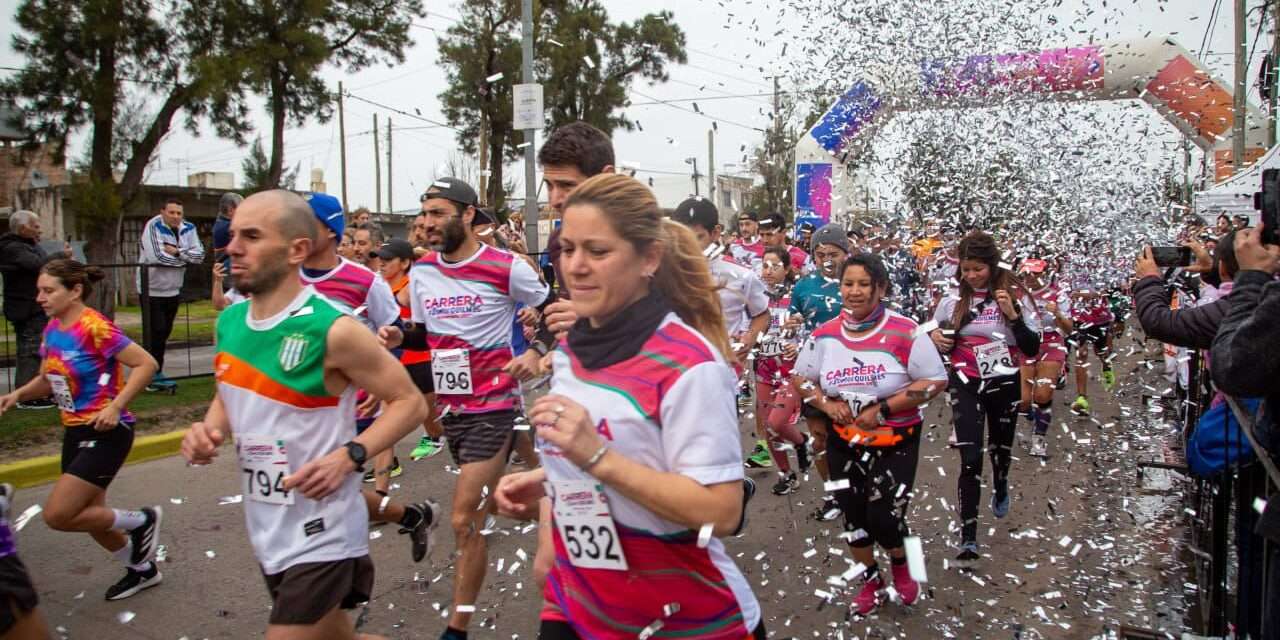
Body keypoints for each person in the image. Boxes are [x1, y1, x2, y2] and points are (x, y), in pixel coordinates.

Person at [492, 174, 764, 639]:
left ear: (649, 259)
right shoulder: (574, 349)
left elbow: (721, 512)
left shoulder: (690, 364)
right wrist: (547, 479)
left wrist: (595, 456)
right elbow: (620, 444)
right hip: (577, 604)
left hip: (687, 621)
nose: (575, 267)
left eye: (598, 252)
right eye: (567, 248)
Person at [181, 190, 428, 640]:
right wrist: (209, 430)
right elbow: (228, 390)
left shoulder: (333, 328)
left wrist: (350, 455)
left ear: (297, 249)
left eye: (251, 236)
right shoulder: (231, 323)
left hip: (326, 529)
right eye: (234, 234)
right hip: (270, 524)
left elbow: (409, 401)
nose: (232, 246)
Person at [381, 177, 549, 640]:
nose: (427, 224)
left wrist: (536, 352)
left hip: (495, 406)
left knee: (462, 518)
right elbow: (428, 335)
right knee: (492, 503)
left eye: (438, 213)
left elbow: (554, 307)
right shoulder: (424, 272)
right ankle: (574, 511)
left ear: (468, 215)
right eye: (424, 214)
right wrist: (402, 337)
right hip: (453, 412)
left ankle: (456, 630)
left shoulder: (505, 266)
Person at [0, 259, 164, 601]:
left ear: (75, 291)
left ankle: (142, 521)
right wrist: (18, 394)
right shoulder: (53, 328)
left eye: (48, 291)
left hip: (107, 431)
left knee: (59, 514)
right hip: (75, 431)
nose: (40, 298)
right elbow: (48, 380)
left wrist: (116, 405)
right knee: (90, 517)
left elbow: (146, 363)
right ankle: (143, 571)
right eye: (39, 291)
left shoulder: (95, 327)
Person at [792, 253, 947, 616]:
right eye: (849, 284)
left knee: (885, 517)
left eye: (864, 285)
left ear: (881, 289)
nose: (855, 292)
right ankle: (870, 581)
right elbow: (800, 378)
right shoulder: (825, 335)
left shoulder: (905, 329)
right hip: (844, 442)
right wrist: (828, 406)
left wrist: (885, 408)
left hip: (897, 440)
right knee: (853, 518)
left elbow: (936, 380)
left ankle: (905, 566)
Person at [929, 231, 1040, 567]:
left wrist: (1013, 317)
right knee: (970, 457)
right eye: (966, 269)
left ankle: (1002, 480)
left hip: (1003, 381)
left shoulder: (1015, 297)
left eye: (978, 269)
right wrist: (936, 336)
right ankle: (968, 536)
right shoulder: (951, 300)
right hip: (965, 382)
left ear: (992, 266)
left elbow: (1032, 347)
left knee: (1000, 451)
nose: (971, 275)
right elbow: (929, 332)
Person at [669, 198, 771, 467]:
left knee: (714, 452)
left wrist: (750, 338)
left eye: (698, 237)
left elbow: (762, 314)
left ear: (716, 233)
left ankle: (731, 492)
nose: (689, 246)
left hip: (722, 374)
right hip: (673, 373)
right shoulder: (664, 274)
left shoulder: (741, 276)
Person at [785, 224, 849, 520]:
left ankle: (857, 489)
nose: (827, 259)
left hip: (853, 370)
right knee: (819, 438)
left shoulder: (856, 282)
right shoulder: (802, 286)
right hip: (814, 371)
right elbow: (791, 324)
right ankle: (834, 493)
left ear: (846, 254)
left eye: (833, 254)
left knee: (852, 434)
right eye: (820, 254)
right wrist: (792, 333)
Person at [378, 239, 444, 461]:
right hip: (392, 360)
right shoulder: (379, 286)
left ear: (405, 262)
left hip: (419, 359)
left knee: (431, 417)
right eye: (380, 259)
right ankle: (389, 462)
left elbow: (429, 322)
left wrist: (404, 325)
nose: (382, 263)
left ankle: (438, 438)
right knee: (387, 414)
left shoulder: (412, 286)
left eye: (388, 259)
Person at [755, 246, 809, 495]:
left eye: (775, 266)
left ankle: (801, 442)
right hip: (764, 368)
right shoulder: (755, 295)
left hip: (791, 370)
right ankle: (787, 475)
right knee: (768, 426)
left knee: (777, 422)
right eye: (765, 265)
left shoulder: (797, 296)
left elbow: (813, 331)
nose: (768, 271)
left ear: (786, 269)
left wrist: (798, 328)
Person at [0, 210, 68, 409]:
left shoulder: (30, 246)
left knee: (40, 349)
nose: (39, 230)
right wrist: (60, 255)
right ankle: (25, 396)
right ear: (23, 228)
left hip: (36, 305)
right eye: (36, 226)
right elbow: (38, 265)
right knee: (29, 350)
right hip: (24, 307)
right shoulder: (12, 247)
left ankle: (38, 392)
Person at [136, 197, 205, 391]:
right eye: (171, 212)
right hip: (151, 288)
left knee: (164, 332)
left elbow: (199, 256)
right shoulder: (153, 226)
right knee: (155, 332)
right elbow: (156, 257)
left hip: (173, 289)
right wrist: (185, 258)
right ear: (162, 211)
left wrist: (177, 252)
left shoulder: (189, 228)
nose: (175, 216)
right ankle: (150, 375)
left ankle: (153, 371)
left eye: (179, 213)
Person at [1018, 258, 1073, 458]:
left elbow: (1068, 328)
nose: (1031, 278)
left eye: (1036, 274)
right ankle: (1032, 420)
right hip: (1027, 343)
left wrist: (1057, 313)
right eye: (1027, 274)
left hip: (1051, 342)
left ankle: (1039, 436)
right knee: (1023, 400)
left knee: (1041, 395)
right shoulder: (1018, 293)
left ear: (1045, 273)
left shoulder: (1058, 294)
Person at [1067, 281, 1114, 414]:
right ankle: (1082, 398)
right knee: (1081, 354)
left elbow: (1101, 292)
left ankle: (1106, 365)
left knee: (1100, 351)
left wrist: (1079, 294)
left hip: (1099, 318)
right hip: (1079, 318)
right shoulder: (1066, 267)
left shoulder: (1099, 263)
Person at [212, 192, 244, 277]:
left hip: (225, 272)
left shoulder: (220, 223)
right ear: (230, 210)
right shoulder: (229, 227)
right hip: (229, 275)